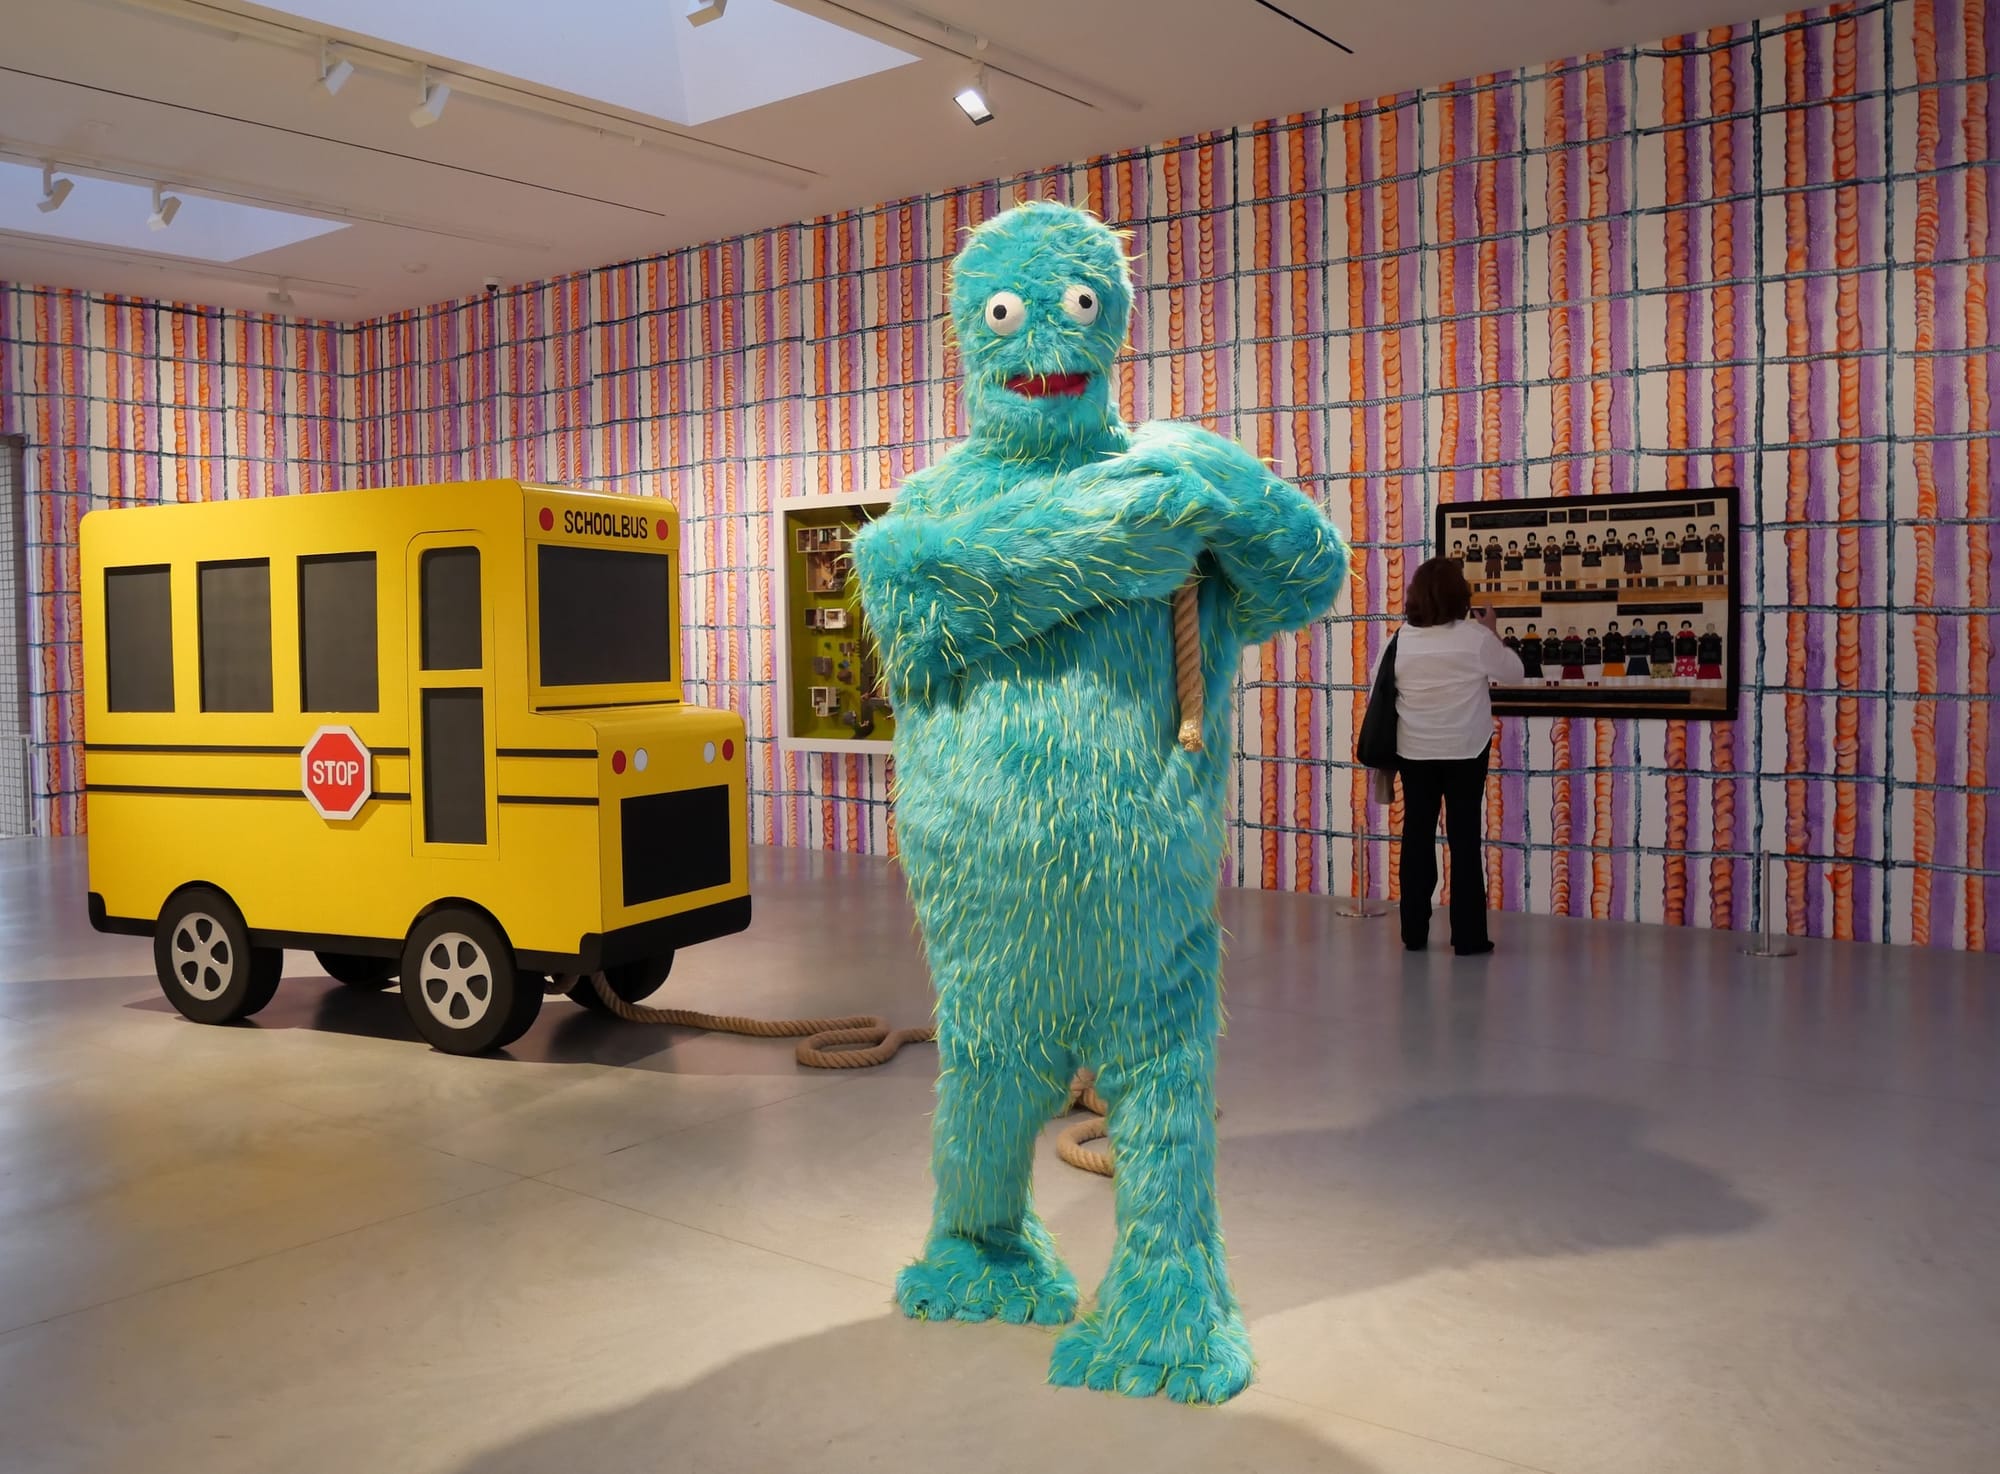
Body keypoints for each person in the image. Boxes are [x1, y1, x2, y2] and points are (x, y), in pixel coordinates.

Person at [1387, 557, 1521, 955]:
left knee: (1416, 836)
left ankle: (1413, 932)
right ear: (1458, 595)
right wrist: (1492, 631)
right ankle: (1468, 936)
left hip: (1414, 751)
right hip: (1466, 751)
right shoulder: (1475, 638)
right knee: (1464, 841)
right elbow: (1515, 672)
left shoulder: (1401, 639)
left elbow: (1381, 683)